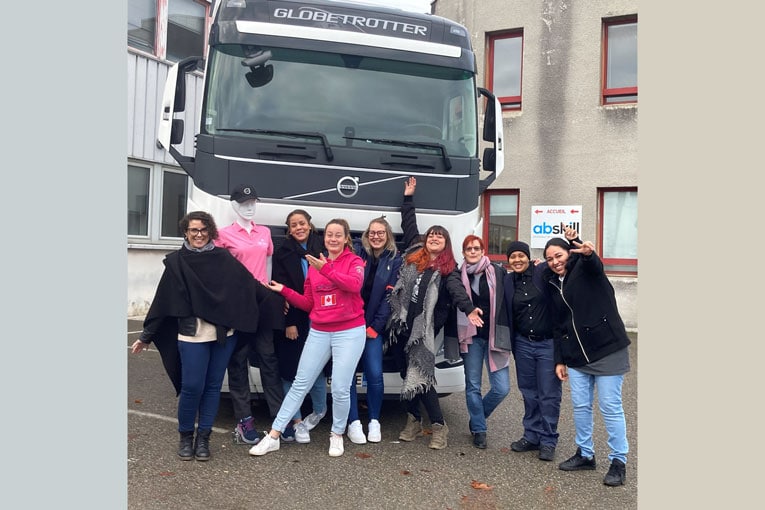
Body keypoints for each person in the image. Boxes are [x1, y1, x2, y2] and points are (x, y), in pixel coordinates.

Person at [130, 211, 272, 461]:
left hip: (222, 335)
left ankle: (204, 439)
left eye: (203, 230)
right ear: (185, 231)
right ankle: (186, 437)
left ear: (211, 232)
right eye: (193, 230)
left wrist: (279, 300)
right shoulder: (177, 262)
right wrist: (146, 335)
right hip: (192, 334)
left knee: (212, 387)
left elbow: (249, 286)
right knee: (192, 386)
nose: (199, 234)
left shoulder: (223, 259)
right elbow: (163, 302)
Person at [250, 219, 367, 457]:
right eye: (329, 235)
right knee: (299, 383)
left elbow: (354, 286)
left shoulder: (354, 262)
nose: (333, 239)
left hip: (349, 331)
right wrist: (284, 291)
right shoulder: (314, 266)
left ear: (346, 239)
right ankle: (274, 435)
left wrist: (327, 269)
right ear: (324, 239)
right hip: (320, 330)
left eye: (338, 235)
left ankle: (336, 435)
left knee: (341, 388)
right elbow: (308, 303)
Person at [387, 177, 483, 450]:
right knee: (407, 373)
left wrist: (468, 308)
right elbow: (409, 226)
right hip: (400, 325)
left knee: (423, 375)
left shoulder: (447, 268)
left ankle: (438, 426)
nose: (434, 239)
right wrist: (408, 199)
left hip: (425, 329)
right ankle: (414, 419)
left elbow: (456, 291)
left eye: (439, 237)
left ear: (445, 244)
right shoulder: (414, 255)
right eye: (431, 236)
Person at [543, 234, 632, 487]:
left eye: (558, 255)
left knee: (610, 407)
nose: (555, 262)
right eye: (549, 259)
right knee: (581, 407)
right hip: (576, 356)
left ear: (569, 254)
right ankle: (585, 454)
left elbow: (595, 264)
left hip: (607, 350)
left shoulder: (586, 268)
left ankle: (618, 461)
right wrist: (559, 359)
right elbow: (558, 326)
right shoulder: (553, 283)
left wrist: (587, 251)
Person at [214, 184, 283, 446]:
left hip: (262, 303)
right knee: (238, 363)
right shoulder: (223, 235)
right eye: (244, 203)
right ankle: (245, 421)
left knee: (268, 359)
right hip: (237, 305)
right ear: (233, 205)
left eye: (253, 201)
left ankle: (279, 419)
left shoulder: (264, 232)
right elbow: (219, 271)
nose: (249, 206)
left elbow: (267, 267)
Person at [271, 209, 329, 444]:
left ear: (309, 225)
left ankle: (318, 413)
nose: (298, 228)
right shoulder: (282, 252)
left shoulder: (322, 246)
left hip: (320, 318)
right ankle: (296, 422)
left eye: (302, 223)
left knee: (316, 372)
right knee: (290, 373)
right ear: (289, 229)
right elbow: (280, 290)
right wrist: (289, 322)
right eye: (293, 225)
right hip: (294, 320)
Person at [503, 240, 564, 462]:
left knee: (549, 394)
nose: (517, 260)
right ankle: (532, 435)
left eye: (521, 255)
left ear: (528, 257)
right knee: (529, 391)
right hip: (523, 344)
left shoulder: (541, 272)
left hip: (547, 344)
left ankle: (548, 440)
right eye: (513, 256)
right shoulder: (508, 280)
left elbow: (562, 262)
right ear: (508, 260)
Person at [346, 213, 403, 444]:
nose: (376, 236)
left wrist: (375, 327)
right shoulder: (358, 253)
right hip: (350, 325)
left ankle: (374, 420)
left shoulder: (395, 260)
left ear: (387, 235)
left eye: (381, 233)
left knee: (374, 375)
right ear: (367, 236)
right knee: (347, 376)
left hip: (372, 329)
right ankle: (353, 422)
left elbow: (390, 297)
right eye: (372, 233)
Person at [451, 234, 511, 450]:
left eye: (477, 248)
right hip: (472, 338)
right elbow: (457, 295)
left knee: (502, 388)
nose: (473, 251)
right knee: (473, 386)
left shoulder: (497, 272)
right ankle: (479, 429)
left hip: (496, 336)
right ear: (464, 252)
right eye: (469, 249)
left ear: (483, 250)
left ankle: (478, 416)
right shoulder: (458, 275)